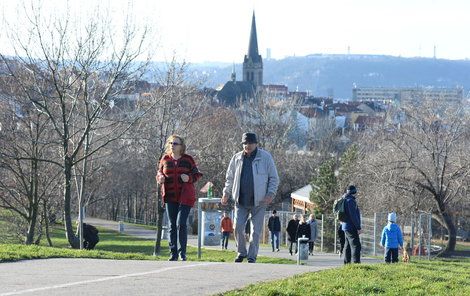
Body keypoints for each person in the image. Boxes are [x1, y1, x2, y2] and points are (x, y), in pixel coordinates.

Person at [221, 132, 279, 263]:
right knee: (238, 227)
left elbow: (274, 178)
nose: (247, 146)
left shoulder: (265, 157)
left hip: (259, 201)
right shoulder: (236, 158)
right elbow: (229, 178)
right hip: (240, 201)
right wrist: (226, 193)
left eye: (250, 143)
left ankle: (252, 256)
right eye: (245, 143)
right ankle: (241, 252)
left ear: (256, 144)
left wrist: (270, 194)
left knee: (255, 231)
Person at [156, 135, 202, 261]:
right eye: (171, 143)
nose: (172, 145)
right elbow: (159, 172)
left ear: (181, 146)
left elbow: (197, 174)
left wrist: (189, 178)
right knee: (172, 225)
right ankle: (173, 253)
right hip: (170, 196)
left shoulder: (188, 160)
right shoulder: (165, 159)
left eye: (175, 143)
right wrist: (160, 178)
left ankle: (183, 253)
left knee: (180, 224)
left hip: (185, 197)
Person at [341, 185, 362, 264]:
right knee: (356, 245)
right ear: (354, 192)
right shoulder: (350, 201)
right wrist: (358, 227)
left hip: (345, 226)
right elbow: (353, 216)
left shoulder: (344, 199)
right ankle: (356, 263)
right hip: (351, 226)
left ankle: (347, 263)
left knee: (348, 245)